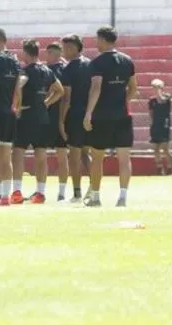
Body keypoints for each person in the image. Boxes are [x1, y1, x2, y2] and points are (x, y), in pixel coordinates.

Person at [84, 26, 138, 207]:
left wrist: (89, 113)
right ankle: (122, 198)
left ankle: (96, 197)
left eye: (97, 39)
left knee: (97, 157)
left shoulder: (97, 62)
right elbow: (133, 88)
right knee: (124, 158)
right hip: (122, 115)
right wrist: (123, 101)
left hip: (102, 116)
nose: (95, 43)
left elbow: (96, 87)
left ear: (104, 40)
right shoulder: (127, 60)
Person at [11, 40, 64, 205]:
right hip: (42, 117)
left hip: (26, 116)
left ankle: (17, 192)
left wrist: (17, 105)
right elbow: (60, 90)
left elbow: (19, 85)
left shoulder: (25, 71)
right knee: (41, 155)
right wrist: (46, 103)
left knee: (18, 154)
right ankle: (40, 193)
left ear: (26, 54)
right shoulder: (47, 70)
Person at [0, 28, 22, 204]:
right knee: (5, 157)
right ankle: (5, 196)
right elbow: (20, 85)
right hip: (9, 113)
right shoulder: (14, 62)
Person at [59, 34, 93, 203]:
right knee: (86, 153)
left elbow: (67, 98)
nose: (63, 51)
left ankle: (77, 193)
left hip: (75, 114)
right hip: (91, 113)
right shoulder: (91, 64)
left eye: (64, 47)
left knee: (74, 154)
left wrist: (61, 120)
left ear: (72, 48)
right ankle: (94, 186)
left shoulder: (69, 69)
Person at [45, 42, 69, 201]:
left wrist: (46, 102)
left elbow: (59, 92)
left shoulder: (51, 70)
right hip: (61, 116)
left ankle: (49, 191)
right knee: (62, 156)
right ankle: (61, 192)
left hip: (52, 116)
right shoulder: (66, 68)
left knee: (44, 154)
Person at [148, 78, 172, 175]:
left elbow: (161, 101)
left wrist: (158, 92)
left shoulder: (167, 97)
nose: (155, 89)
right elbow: (151, 113)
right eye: (154, 87)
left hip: (164, 125)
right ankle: (159, 169)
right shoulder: (151, 100)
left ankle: (170, 168)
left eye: (157, 87)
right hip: (155, 125)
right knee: (156, 148)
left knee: (165, 148)